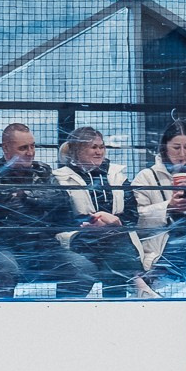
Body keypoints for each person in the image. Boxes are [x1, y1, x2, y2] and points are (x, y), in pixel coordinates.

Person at [0, 124, 94, 299]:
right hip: (3, 246)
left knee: (83, 268)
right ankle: (0, 313)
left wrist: (23, 195)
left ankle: (62, 310)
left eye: (32, 146)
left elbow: (60, 200)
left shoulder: (42, 170)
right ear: (6, 148)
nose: (30, 153)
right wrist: (39, 201)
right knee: (5, 270)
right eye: (23, 148)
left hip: (42, 246)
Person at [53, 127, 144, 297]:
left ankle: (117, 304)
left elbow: (132, 214)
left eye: (102, 147)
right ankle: (138, 282)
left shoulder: (118, 176)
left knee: (114, 249)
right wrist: (92, 222)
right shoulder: (60, 178)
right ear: (77, 150)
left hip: (115, 236)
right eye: (93, 147)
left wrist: (115, 221)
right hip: (79, 239)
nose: (99, 152)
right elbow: (59, 217)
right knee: (116, 251)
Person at [132, 120, 186, 284]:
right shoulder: (146, 177)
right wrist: (168, 207)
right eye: (176, 147)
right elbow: (136, 222)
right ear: (164, 147)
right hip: (162, 249)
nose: (182, 153)